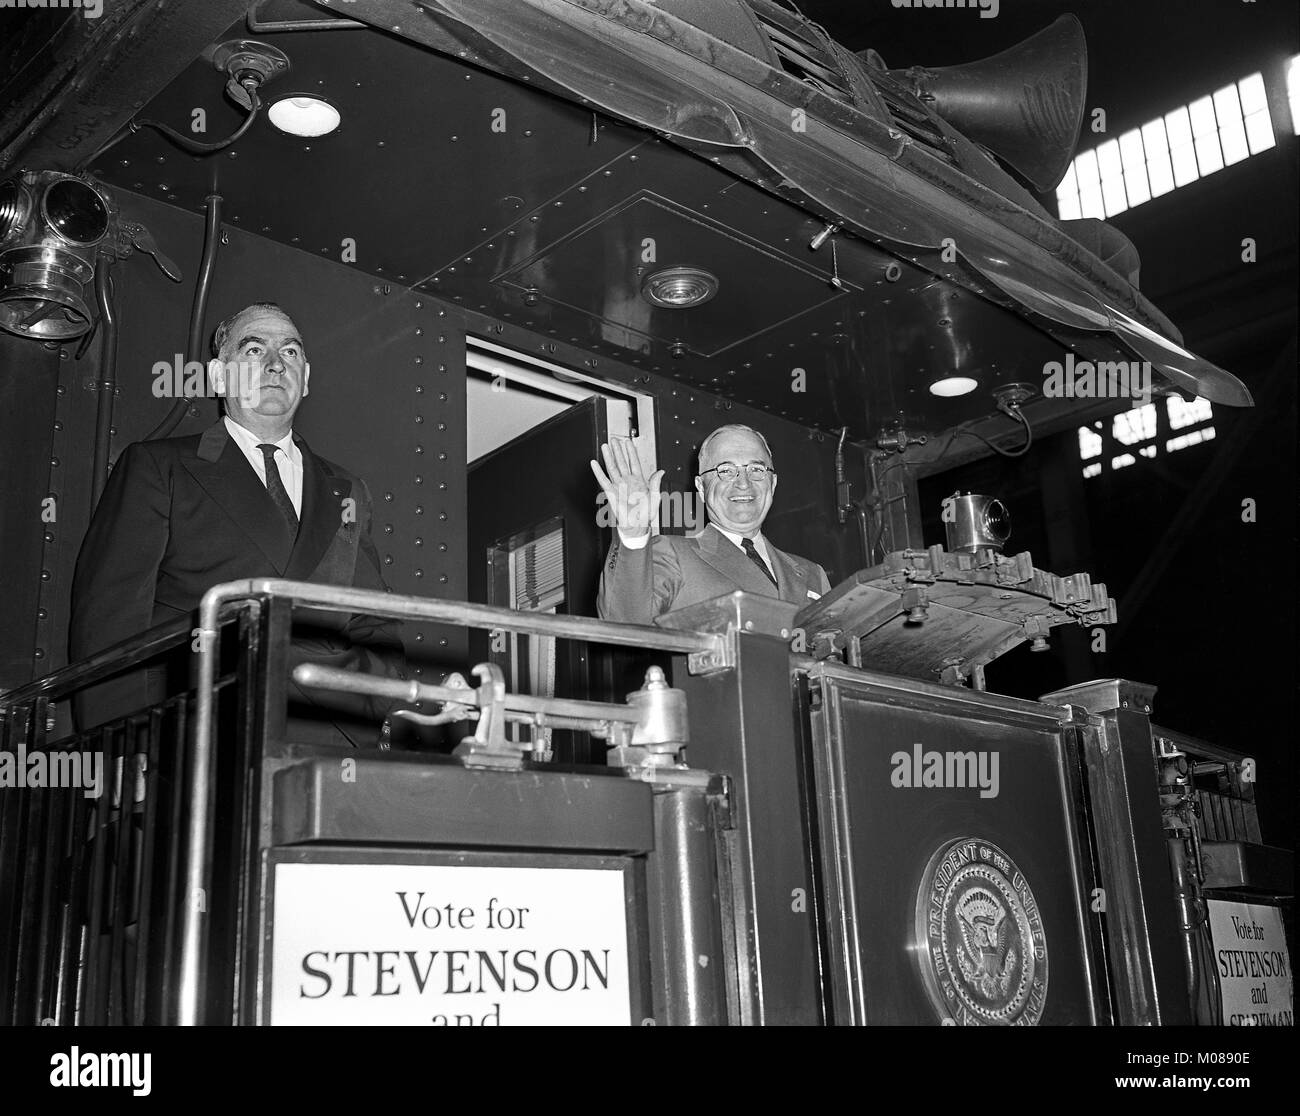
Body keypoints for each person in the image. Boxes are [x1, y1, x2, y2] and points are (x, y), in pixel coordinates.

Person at [69, 301, 407, 745]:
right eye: (253, 350)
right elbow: (110, 619)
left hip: (329, 740)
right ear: (217, 377)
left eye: (290, 352)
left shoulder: (346, 489)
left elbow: (373, 623)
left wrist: (381, 712)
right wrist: (120, 746)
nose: (274, 364)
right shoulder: (160, 467)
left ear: (306, 379)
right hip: (200, 734)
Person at [591, 424, 831, 624]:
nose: (744, 483)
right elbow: (623, 624)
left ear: (773, 483)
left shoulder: (812, 574)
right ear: (701, 487)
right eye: (725, 470)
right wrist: (633, 533)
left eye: (757, 469)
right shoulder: (672, 553)